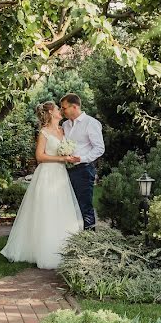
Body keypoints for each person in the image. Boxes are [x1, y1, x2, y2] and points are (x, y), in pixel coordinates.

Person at [0, 101, 83, 269]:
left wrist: (70, 156)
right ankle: (43, 250)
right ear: (51, 113)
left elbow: (66, 150)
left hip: (61, 174)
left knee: (61, 208)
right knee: (47, 209)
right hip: (47, 174)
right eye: (58, 109)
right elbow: (40, 157)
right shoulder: (44, 132)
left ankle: (63, 247)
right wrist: (62, 158)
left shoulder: (63, 130)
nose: (61, 111)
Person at [60, 93, 104, 230]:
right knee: (69, 205)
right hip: (66, 170)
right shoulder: (65, 125)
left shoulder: (91, 123)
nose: (62, 111)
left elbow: (99, 148)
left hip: (83, 170)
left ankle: (89, 240)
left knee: (84, 205)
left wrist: (82, 158)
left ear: (74, 106)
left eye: (64, 108)